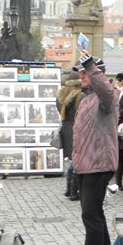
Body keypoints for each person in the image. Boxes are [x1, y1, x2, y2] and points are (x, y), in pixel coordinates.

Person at [68, 53, 119, 245]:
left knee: (91, 215)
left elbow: (106, 90)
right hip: (86, 165)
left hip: (98, 165)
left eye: (85, 73)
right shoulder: (86, 99)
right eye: (80, 72)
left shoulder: (106, 98)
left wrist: (91, 66)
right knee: (93, 214)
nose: (82, 76)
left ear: (97, 74)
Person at [56, 71, 84, 201]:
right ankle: (73, 191)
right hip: (76, 131)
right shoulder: (80, 96)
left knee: (73, 161)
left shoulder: (61, 95)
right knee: (78, 162)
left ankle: (68, 189)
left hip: (65, 131)